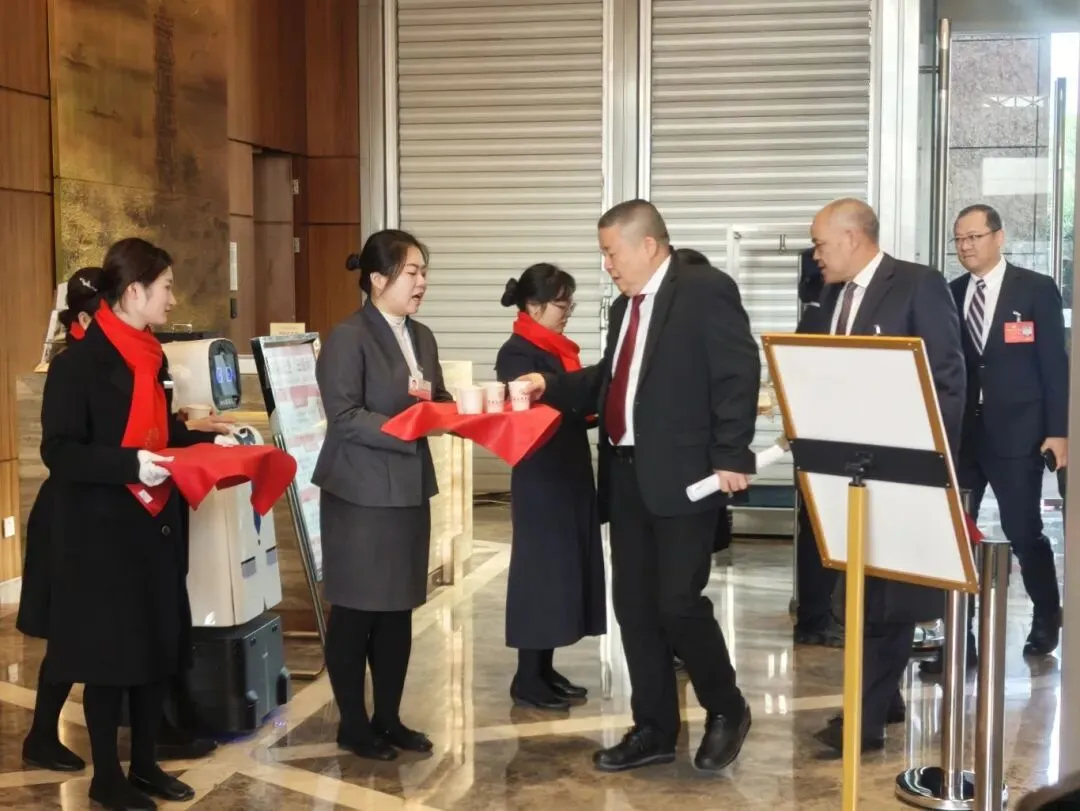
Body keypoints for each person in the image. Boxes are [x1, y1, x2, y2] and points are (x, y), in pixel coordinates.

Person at [517, 200, 760, 774]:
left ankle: (727, 706)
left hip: (686, 477)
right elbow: (613, 379)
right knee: (634, 606)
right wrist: (549, 384)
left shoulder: (704, 290)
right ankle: (653, 728)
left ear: (648, 245)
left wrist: (732, 453)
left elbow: (738, 371)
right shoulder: (627, 308)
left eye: (611, 252)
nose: (606, 265)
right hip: (627, 475)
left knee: (678, 602)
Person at [41, 238, 230, 810]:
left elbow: (159, 434)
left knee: (155, 651)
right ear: (133, 292)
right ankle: (107, 776)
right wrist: (129, 466)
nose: (172, 299)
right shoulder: (77, 365)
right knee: (110, 660)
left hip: (156, 525)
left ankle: (146, 764)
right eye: (166, 287)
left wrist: (206, 441)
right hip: (102, 534)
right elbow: (59, 451)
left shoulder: (151, 357)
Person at [803, 199, 965, 755]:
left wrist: (930, 465)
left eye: (821, 243)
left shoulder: (918, 285)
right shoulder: (831, 296)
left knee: (888, 598)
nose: (816, 255)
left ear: (852, 237)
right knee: (861, 591)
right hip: (846, 471)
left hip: (903, 470)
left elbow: (947, 379)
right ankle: (885, 698)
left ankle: (864, 722)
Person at [312, 229, 452, 762]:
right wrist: (409, 427)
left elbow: (435, 397)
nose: (422, 282)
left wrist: (462, 410)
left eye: (424, 272)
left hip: (409, 489)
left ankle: (388, 718)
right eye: (411, 272)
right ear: (377, 279)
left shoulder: (424, 337)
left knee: (397, 611)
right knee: (356, 612)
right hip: (361, 494)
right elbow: (345, 415)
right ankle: (353, 723)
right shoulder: (348, 337)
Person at [920, 203, 1067, 674]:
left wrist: (1059, 431)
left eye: (974, 237)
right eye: (959, 239)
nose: (965, 247)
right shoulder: (950, 293)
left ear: (999, 237)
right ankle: (959, 638)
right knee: (956, 533)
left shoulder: (1035, 289)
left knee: (1023, 530)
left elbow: (1054, 365)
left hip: (1018, 433)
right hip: (964, 434)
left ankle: (1047, 615)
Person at [494, 264, 606, 710]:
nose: (568, 312)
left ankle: (544, 668)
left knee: (563, 572)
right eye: (562, 304)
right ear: (534, 306)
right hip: (540, 474)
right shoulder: (517, 353)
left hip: (569, 470)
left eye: (569, 303)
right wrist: (570, 397)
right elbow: (538, 413)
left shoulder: (559, 351)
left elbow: (572, 401)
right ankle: (527, 677)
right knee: (540, 573)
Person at [18, 267, 103, 773]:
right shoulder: (70, 368)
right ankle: (41, 736)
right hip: (66, 514)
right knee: (70, 632)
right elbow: (60, 449)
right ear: (85, 319)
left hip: (92, 510)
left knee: (85, 630)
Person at [791, 248, 844, 648]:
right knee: (821, 532)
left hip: (816, 439)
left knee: (815, 531)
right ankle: (817, 617)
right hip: (828, 441)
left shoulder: (813, 314)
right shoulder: (823, 314)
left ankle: (815, 615)